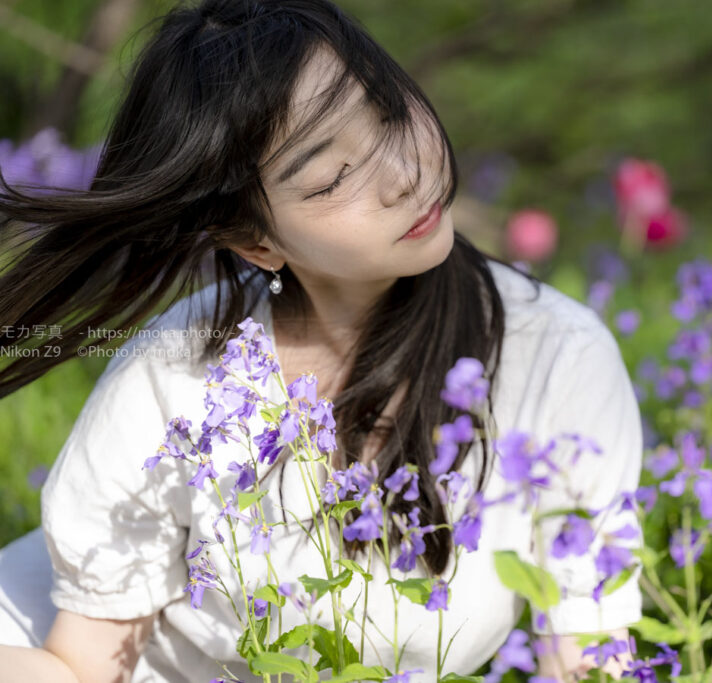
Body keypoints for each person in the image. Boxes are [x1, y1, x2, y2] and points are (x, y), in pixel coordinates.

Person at [0, 1, 644, 681]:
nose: (405, 175)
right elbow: (81, 665)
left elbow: (589, 659)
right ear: (257, 242)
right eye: (333, 177)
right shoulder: (175, 375)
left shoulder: (559, 359)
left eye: (391, 113)